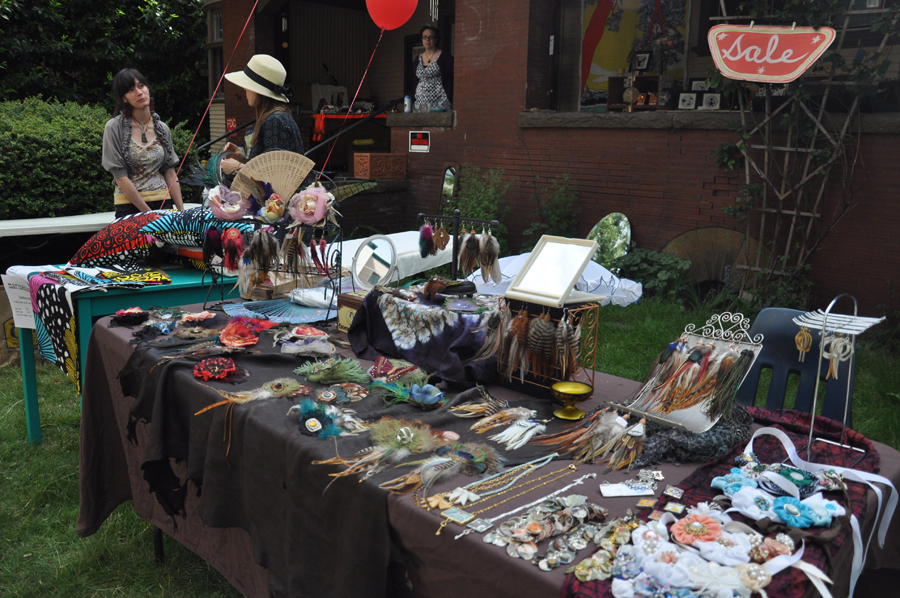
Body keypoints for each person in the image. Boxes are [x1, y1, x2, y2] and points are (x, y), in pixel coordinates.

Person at [102, 68, 184, 217]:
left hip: (163, 203)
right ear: (124, 99)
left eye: (141, 86)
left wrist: (181, 212)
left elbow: (170, 172)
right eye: (131, 90)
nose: (139, 92)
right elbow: (120, 177)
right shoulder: (114, 127)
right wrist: (149, 215)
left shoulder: (162, 128)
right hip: (129, 206)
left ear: (148, 88)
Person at [220, 54, 305, 175]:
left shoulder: (274, 121)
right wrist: (242, 159)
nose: (244, 89)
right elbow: (267, 166)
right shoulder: (278, 116)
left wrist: (238, 168)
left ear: (259, 90)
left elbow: (275, 176)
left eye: (248, 85)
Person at [410, 25, 454, 112]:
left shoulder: (445, 57)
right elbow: (415, 80)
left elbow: (452, 77)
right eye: (425, 37)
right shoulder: (418, 59)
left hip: (440, 104)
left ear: (436, 39)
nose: (427, 40)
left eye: (431, 37)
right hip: (420, 104)